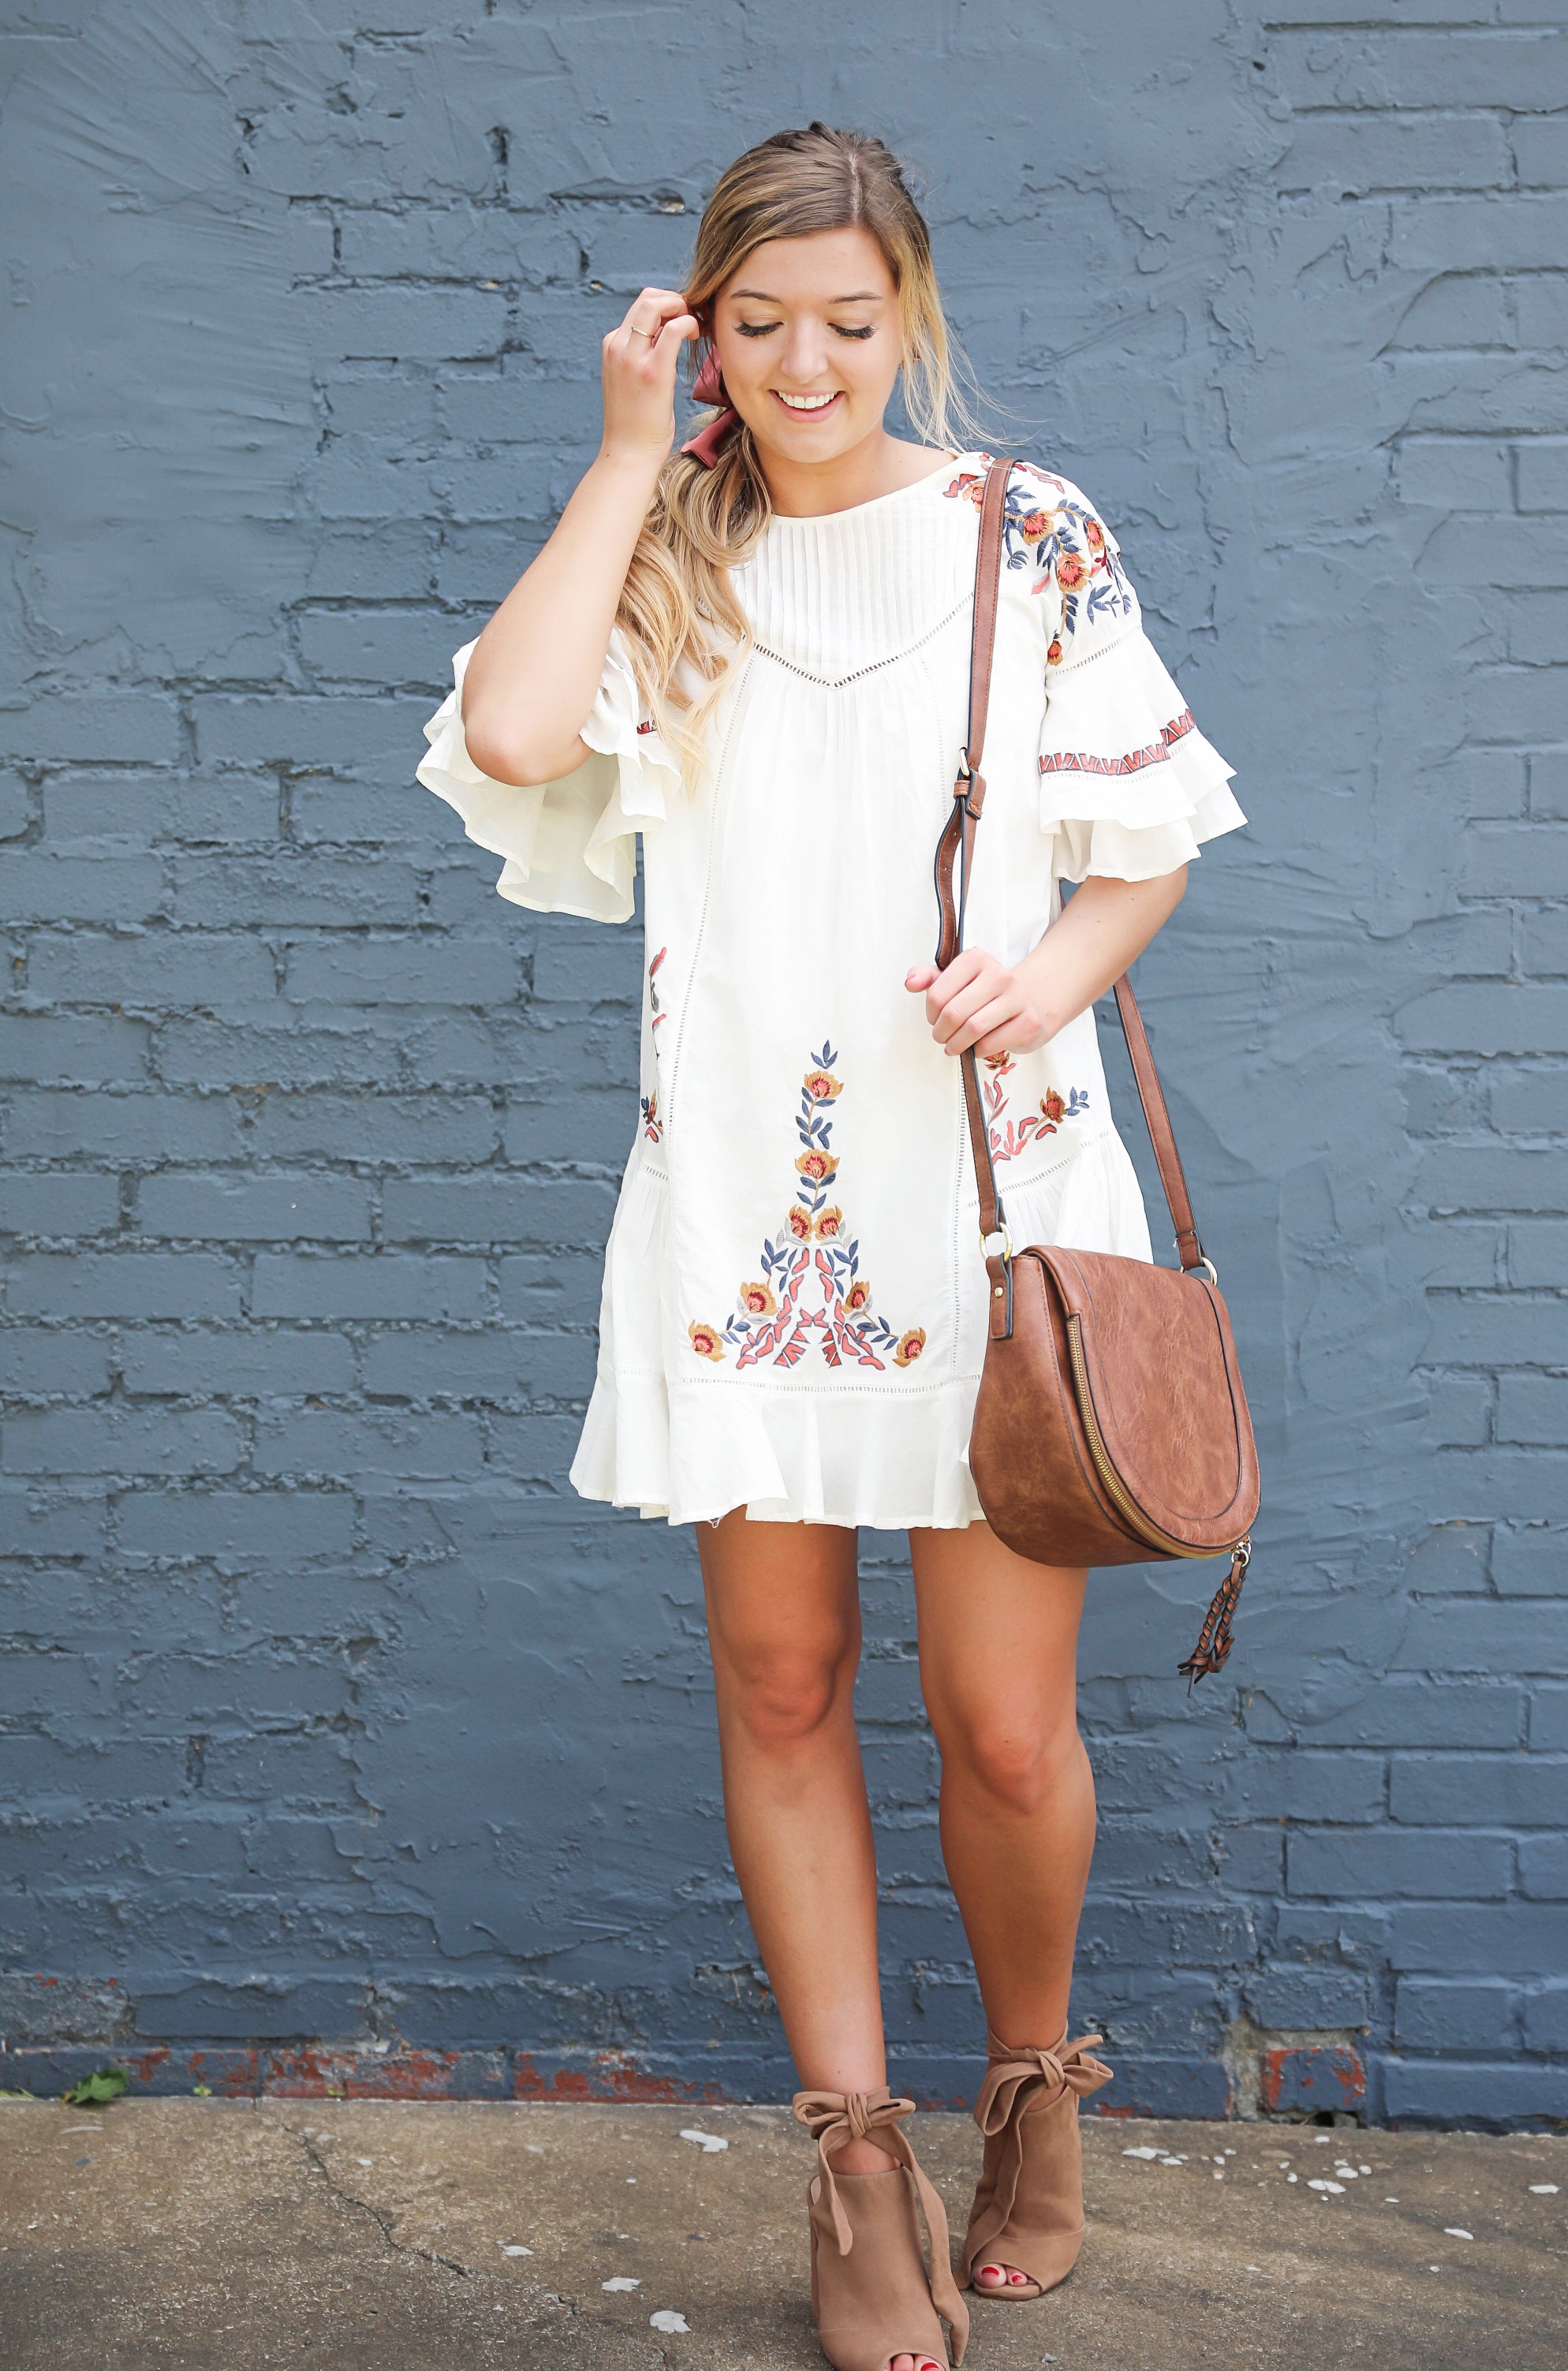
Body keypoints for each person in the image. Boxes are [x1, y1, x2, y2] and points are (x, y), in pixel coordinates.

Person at [417, 124, 1243, 2371]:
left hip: (993, 1207)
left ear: (915, 318)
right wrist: (619, 454)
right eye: (758, 324)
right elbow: (506, 730)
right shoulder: (667, 550)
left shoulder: (1023, 533)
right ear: (705, 332)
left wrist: (1049, 977)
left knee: (1001, 1727)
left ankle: (1030, 2085)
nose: (807, 364)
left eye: (849, 323)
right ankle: (855, 2157)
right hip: (752, 1220)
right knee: (782, 1686)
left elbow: (1148, 840)